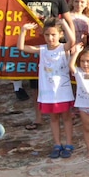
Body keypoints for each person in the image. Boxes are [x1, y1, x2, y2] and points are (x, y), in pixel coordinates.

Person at [18, 17, 77, 159]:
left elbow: (72, 41)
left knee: (66, 118)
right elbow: (21, 47)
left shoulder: (63, 48)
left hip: (63, 91)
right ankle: (57, 144)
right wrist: (23, 31)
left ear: (60, 34)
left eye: (54, 34)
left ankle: (69, 143)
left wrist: (64, 24)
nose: (50, 38)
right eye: (47, 35)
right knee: (54, 119)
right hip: (48, 92)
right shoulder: (42, 50)